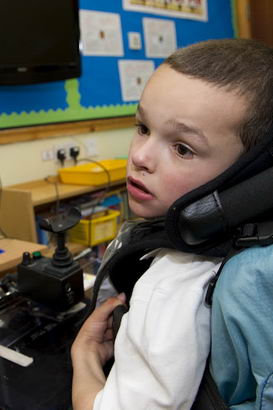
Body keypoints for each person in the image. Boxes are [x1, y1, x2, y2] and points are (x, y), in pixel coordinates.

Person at [71, 38, 273, 410]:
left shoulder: (174, 284)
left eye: (183, 148)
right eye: (143, 127)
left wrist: (83, 359)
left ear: (248, 175)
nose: (140, 156)